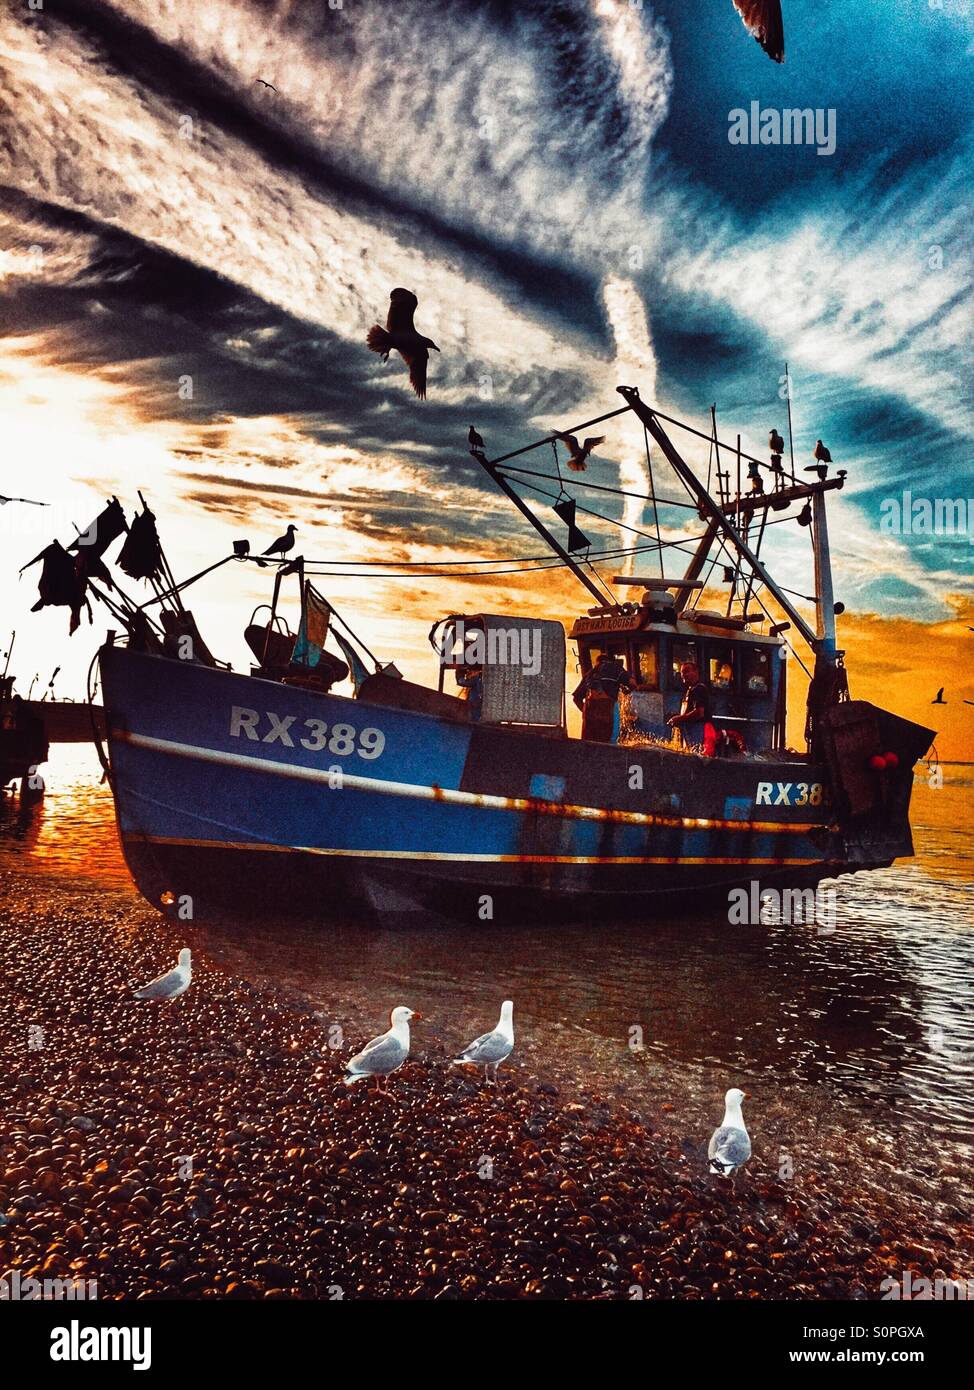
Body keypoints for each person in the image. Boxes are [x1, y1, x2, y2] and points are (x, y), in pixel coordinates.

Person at [573, 652, 635, 743]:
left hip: (589, 711)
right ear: (610, 661)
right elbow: (633, 683)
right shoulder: (616, 668)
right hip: (606, 709)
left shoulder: (590, 673)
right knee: (608, 743)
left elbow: (576, 698)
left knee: (588, 744)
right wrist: (627, 691)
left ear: (597, 662)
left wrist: (587, 712)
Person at [667, 660, 716, 755]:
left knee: (698, 758)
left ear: (696, 672)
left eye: (686, 671)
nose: (683, 675)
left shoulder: (699, 689)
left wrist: (679, 719)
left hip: (701, 731)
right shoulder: (690, 691)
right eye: (682, 672)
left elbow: (699, 713)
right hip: (691, 731)